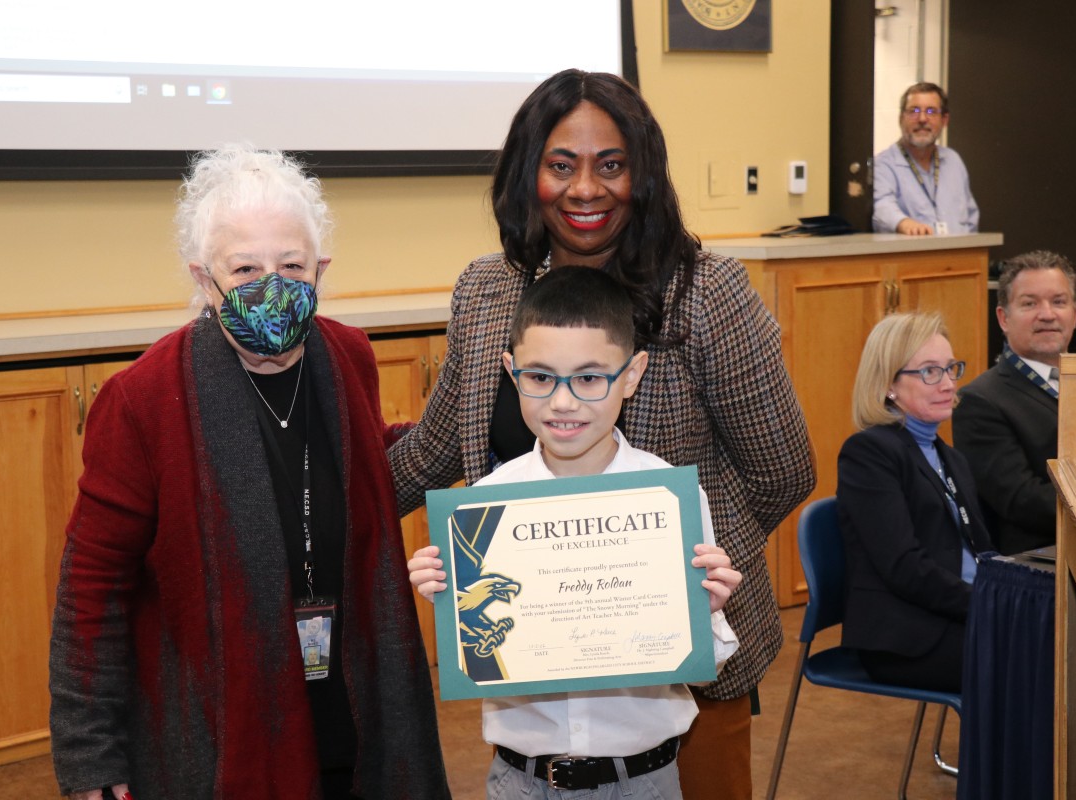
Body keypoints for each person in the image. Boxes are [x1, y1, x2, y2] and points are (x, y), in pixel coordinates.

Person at [388, 69, 815, 798]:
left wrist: (672, 578)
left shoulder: (707, 290)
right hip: (531, 667)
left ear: (641, 174)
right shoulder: (485, 290)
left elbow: (782, 469)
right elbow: (431, 451)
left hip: (679, 678)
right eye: (562, 165)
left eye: (611, 165)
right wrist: (322, 504)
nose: (587, 188)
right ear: (530, 174)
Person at [48, 145, 450, 800]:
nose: (272, 284)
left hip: (351, 708)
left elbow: (356, 467)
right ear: (204, 279)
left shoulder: (348, 355)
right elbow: (93, 588)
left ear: (320, 270)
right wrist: (90, 757)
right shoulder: (142, 399)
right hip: (221, 732)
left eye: (291, 265)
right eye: (245, 268)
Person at [408, 266, 743, 799]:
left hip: (644, 781)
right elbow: (484, 650)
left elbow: (705, 670)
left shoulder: (666, 499)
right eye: (540, 377)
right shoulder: (484, 507)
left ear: (631, 376)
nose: (562, 402)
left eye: (589, 378)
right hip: (521, 782)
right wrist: (449, 597)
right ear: (510, 372)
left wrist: (701, 615)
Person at [837, 312, 993, 692]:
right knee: (1035, 656)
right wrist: (987, 606)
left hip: (955, 613)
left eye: (951, 369)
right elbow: (904, 567)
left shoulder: (949, 456)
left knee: (1061, 640)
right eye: (929, 372)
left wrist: (1009, 596)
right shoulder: (869, 453)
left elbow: (981, 549)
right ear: (889, 383)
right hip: (906, 634)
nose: (948, 384)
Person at [952, 251, 1076, 555]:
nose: (1047, 314)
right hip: (1041, 566)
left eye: (1058, 302)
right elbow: (1024, 502)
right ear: (1003, 318)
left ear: (1074, 314)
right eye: (1030, 303)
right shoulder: (979, 402)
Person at [872, 81, 979, 236]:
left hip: (959, 257)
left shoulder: (954, 161)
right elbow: (882, 206)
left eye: (931, 111)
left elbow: (971, 218)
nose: (922, 119)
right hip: (914, 258)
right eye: (913, 111)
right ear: (901, 118)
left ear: (944, 120)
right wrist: (903, 222)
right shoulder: (883, 164)